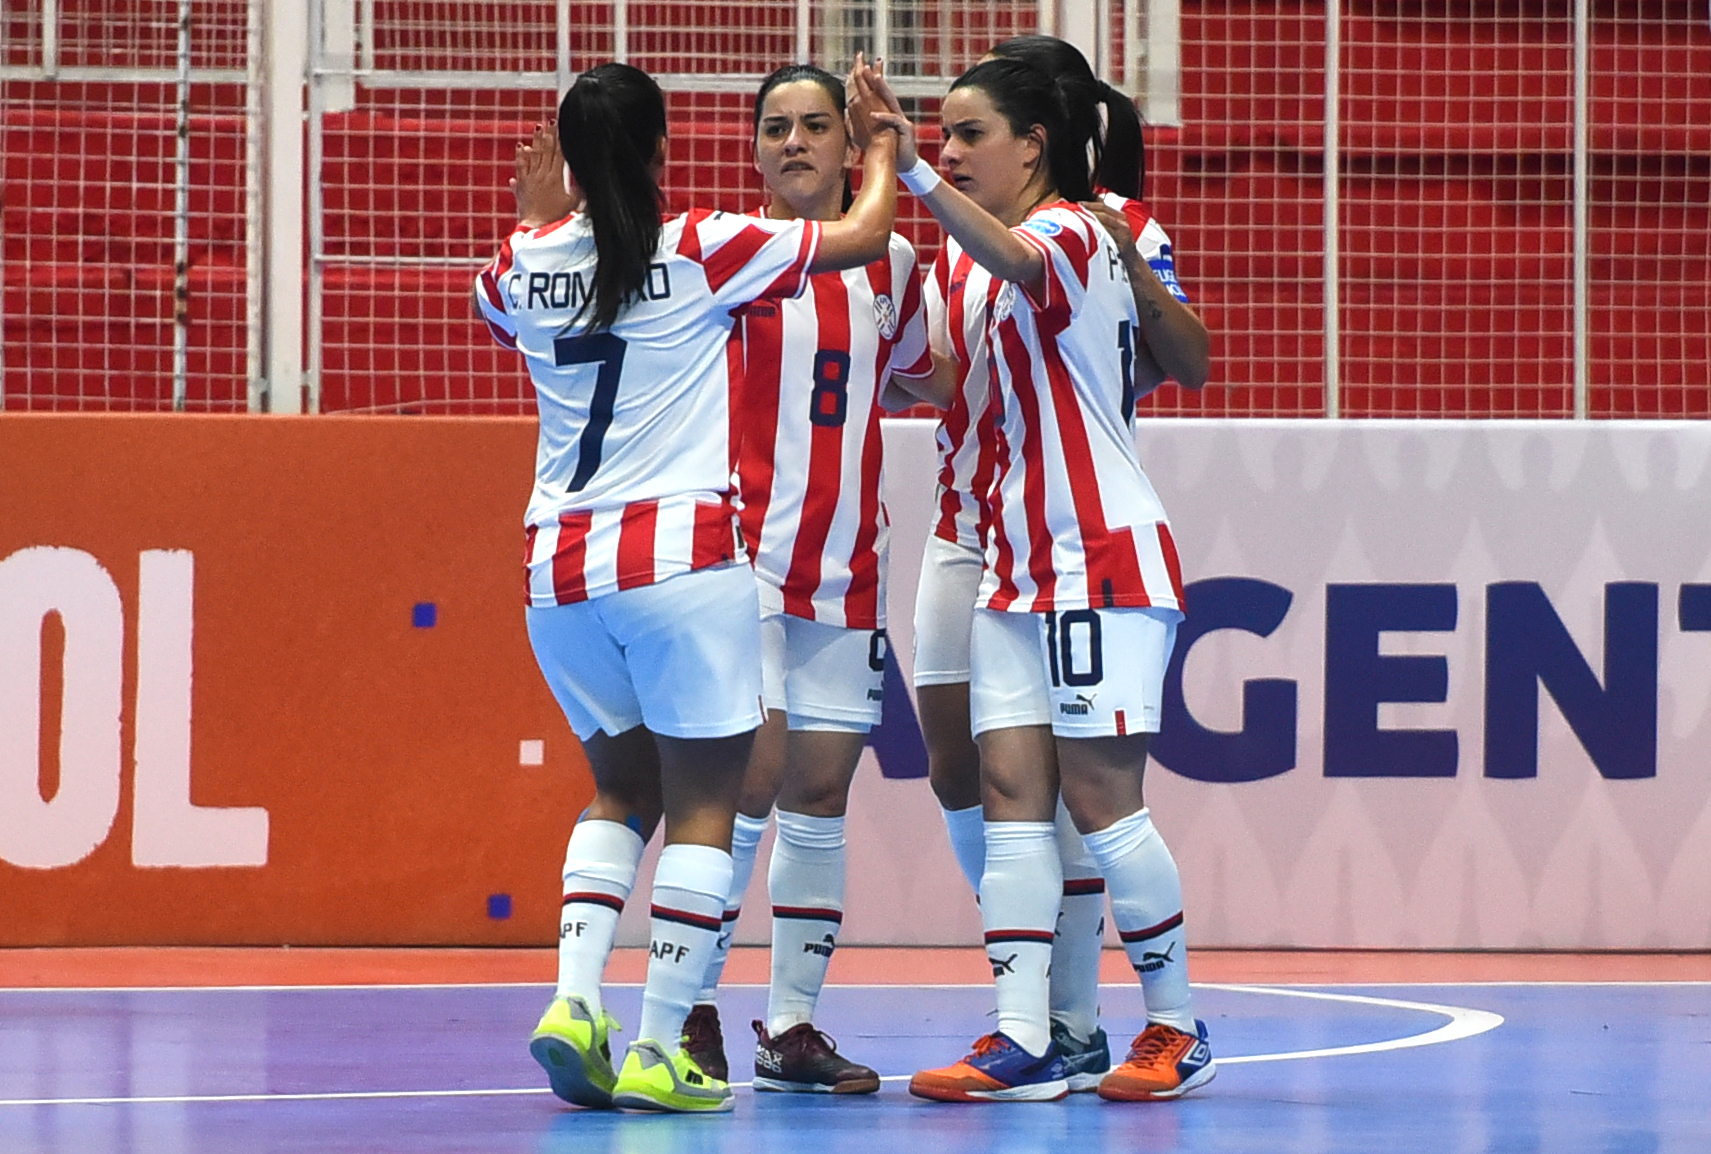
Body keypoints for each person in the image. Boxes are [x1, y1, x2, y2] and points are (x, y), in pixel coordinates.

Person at [473, 58, 899, 1114]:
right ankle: (664, 1042)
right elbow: (862, 238)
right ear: (665, 153)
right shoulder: (704, 245)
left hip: (555, 573)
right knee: (708, 805)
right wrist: (882, 150)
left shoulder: (518, 264)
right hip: (679, 561)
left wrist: (539, 220)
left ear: (567, 163)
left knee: (620, 791)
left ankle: (576, 1000)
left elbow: (508, 298)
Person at [863, 57, 1214, 1103]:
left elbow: (1028, 264)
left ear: (1035, 145)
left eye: (970, 134)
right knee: (1013, 798)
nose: (953, 150)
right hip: (1010, 561)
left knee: (1104, 800)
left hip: (1097, 552)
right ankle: (1029, 1036)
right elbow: (946, 373)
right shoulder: (978, 257)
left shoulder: (1073, 233)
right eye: (944, 136)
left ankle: (1175, 1024)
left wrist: (912, 175)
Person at [675, 62, 950, 1095]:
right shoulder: (733, 253)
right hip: (735, 560)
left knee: (820, 791)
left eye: (814, 126)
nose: (792, 142)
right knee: (748, 775)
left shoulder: (894, 267)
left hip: (846, 569)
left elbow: (929, 369)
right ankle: (686, 1006)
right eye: (775, 127)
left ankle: (789, 1024)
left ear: (849, 146)